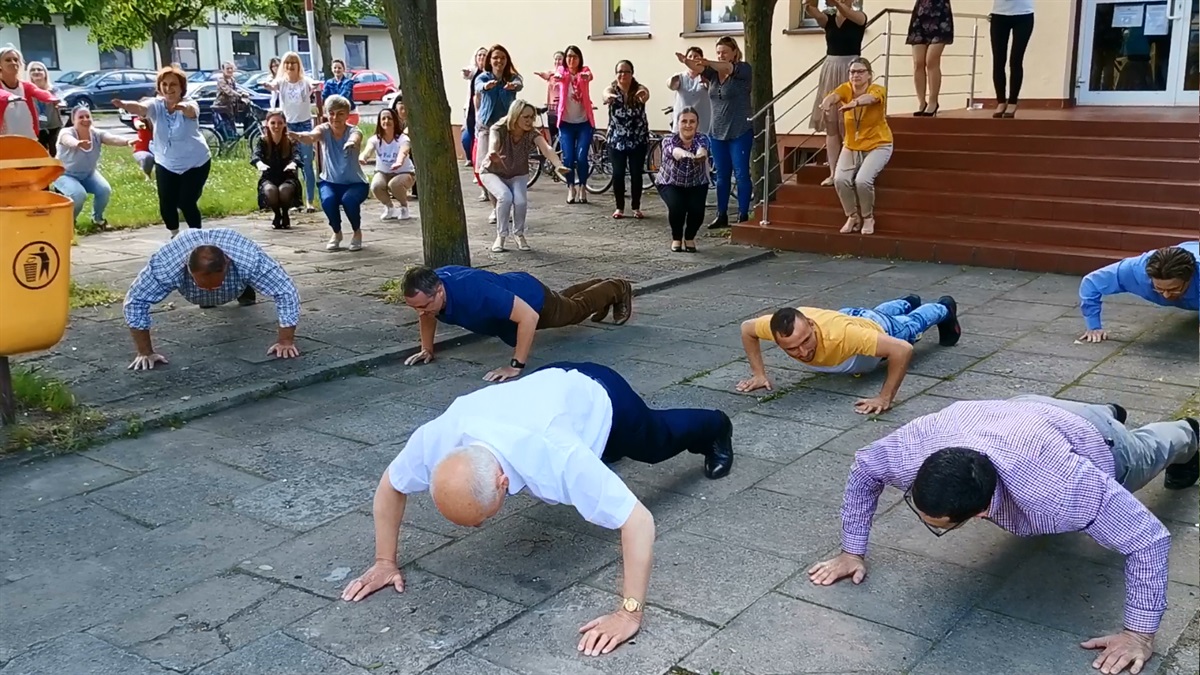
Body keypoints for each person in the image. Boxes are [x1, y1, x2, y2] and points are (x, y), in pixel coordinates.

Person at [339, 361, 735, 655]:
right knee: (600, 463)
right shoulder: (437, 437)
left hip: (603, 395)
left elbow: (638, 522)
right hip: (546, 388)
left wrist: (629, 614)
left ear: (502, 482)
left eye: (480, 520)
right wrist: (384, 561)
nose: (474, 529)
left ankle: (716, 425)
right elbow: (390, 484)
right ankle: (606, 450)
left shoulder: (556, 453)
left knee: (655, 442)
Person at [807, 395, 1199, 675]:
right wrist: (851, 552)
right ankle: (1102, 410)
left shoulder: (1061, 488)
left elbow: (1147, 539)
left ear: (981, 511)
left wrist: (1138, 635)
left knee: (1148, 449)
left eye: (938, 525)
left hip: (1089, 439)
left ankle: (1185, 430)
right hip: (1018, 410)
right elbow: (865, 469)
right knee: (1081, 416)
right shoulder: (908, 453)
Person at [399, 265, 633, 382]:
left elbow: (528, 317)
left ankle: (617, 287)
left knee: (574, 311)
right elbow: (426, 316)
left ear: (440, 291)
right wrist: (427, 349)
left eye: (423, 305)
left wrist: (515, 366)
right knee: (565, 302)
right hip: (515, 293)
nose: (420, 312)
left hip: (533, 300)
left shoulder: (473, 291)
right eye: (414, 307)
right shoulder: (431, 288)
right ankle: (600, 286)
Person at [736, 294, 960, 414]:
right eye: (792, 348)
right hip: (849, 317)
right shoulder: (772, 326)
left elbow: (902, 350)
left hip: (878, 327)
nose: (802, 352)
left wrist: (884, 398)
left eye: (806, 341)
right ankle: (906, 301)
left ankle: (943, 307)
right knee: (871, 315)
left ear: (812, 325)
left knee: (911, 325)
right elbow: (747, 328)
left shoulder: (844, 336)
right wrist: (758, 375)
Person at [123, 228, 302, 371]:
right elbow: (135, 301)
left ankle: (244, 288)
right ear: (186, 268)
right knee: (205, 296)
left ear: (227, 264)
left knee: (246, 278)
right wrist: (145, 352)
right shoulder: (166, 264)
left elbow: (285, 291)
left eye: (215, 285)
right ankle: (205, 293)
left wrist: (285, 341)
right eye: (204, 285)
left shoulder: (249, 258)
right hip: (188, 268)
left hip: (237, 271)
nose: (210, 289)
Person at [113, 67, 212, 238]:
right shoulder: (156, 105)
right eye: (164, 84)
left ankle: (197, 237)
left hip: (195, 162)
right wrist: (125, 105)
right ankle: (174, 235)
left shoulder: (190, 103)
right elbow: (141, 108)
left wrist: (182, 107)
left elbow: (192, 111)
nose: (168, 88)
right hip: (166, 161)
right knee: (166, 203)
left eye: (173, 84)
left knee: (186, 202)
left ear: (181, 87)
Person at [481, 100, 570, 252]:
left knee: (520, 202)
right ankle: (501, 236)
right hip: (492, 171)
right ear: (515, 116)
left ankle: (519, 235)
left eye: (532, 117)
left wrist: (558, 164)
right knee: (505, 197)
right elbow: (493, 142)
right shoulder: (500, 128)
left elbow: (546, 148)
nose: (530, 121)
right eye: (526, 117)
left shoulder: (531, 133)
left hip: (517, 173)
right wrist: (493, 152)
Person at [683, 36, 752, 228]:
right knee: (721, 175)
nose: (721, 55)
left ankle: (743, 215)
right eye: (718, 52)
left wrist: (709, 63)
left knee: (741, 174)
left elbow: (727, 67)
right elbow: (697, 68)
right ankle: (721, 215)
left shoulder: (743, 69)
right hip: (717, 131)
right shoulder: (713, 74)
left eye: (725, 52)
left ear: (734, 53)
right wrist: (686, 61)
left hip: (739, 130)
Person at [819, 57, 893, 236]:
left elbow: (871, 99)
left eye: (860, 71)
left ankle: (868, 217)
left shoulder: (877, 89)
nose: (856, 75)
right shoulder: (846, 88)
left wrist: (855, 103)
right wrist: (827, 102)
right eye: (852, 72)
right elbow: (835, 95)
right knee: (840, 180)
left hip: (879, 144)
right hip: (852, 145)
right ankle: (853, 216)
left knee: (862, 180)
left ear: (869, 75)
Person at [289, 95, 368, 252]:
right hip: (330, 182)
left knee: (349, 201)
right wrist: (298, 136)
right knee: (328, 200)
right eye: (331, 113)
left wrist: (351, 143)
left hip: (355, 183)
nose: (335, 117)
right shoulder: (324, 129)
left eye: (340, 114)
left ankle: (357, 232)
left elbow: (356, 137)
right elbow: (311, 136)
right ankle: (337, 233)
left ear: (347, 115)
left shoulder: (353, 130)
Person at [1078, 242, 1200, 342]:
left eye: (1174, 289)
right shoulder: (1131, 271)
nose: (1166, 295)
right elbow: (1091, 283)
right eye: (1159, 288)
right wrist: (1094, 326)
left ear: (1190, 278)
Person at [805, 0, 867, 186]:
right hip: (831, 70)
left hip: (851, 70)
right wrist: (808, 3)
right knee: (831, 124)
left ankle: (852, 171)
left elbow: (847, 13)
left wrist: (837, 4)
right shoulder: (829, 19)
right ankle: (833, 173)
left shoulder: (859, 17)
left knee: (850, 124)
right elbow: (812, 11)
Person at [52, 106, 134, 230]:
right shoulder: (66, 132)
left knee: (104, 190)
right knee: (78, 195)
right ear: (73, 120)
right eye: (81, 117)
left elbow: (111, 138)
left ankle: (98, 219)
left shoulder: (96, 134)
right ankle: (69, 223)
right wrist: (77, 143)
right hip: (63, 174)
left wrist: (127, 142)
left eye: (87, 116)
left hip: (88, 174)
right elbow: (67, 140)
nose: (85, 119)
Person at [475, 44, 524, 220]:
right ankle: (496, 208)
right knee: (487, 168)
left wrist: (513, 86)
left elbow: (519, 84)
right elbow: (478, 86)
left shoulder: (512, 78)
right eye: (495, 58)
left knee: (504, 169)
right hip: (487, 128)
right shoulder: (483, 77)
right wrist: (486, 86)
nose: (499, 61)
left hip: (505, 130)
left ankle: (505, 206)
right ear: (490, 60)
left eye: (502, 58)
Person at [267, 52, 321, 213]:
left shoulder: (305, 81)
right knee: (290, 165)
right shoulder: (281, 82)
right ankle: (294, 202)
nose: (290, 66)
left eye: (293, 63)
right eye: (287, 63)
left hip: (304, 125)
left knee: (307, 164)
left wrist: (315, 85)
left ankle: (310, 201)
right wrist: (268, 85)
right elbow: (273, 85)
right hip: (288, 126)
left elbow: (313, 83)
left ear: (298, 65)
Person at [656, 107, 710, 253]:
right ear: (677, 123)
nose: (688, 125)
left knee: (697, 211)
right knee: (677, 207)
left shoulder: (702, 138)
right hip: (670, 182)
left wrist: (700, 155)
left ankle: (690, 237)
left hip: (697, 183)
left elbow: (702, 149)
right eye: (684, 121)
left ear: (697, 124)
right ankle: (677, 238)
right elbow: (675, 151)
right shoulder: (669, 140)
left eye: (692, 121)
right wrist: (686, 154)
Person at [603, 60, 650, 220]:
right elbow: (605, 93)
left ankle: (636, 207)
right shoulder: (612, 89)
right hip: (616, 140)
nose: (623, 74)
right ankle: (619, 207)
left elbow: (645, 93)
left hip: (637, 139)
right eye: (620, 72)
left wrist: (643, 95)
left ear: (632, 73)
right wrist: (608, 97)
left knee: (636, 174)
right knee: (618, 174)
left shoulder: (638, 88)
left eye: (626, 71)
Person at [553, 45, 595, 205]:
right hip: (566, 124)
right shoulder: (562, 72)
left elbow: (589, 75)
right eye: (569, 56)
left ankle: (583, 186)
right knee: (568, 158)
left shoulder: (584, 71)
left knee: (582, 157)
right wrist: (555, 76)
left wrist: (585, 77)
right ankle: (571, 187)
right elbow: (557, 75)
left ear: (579, 59)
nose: (571, 59)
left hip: (584, 123)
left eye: (575, 56)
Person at [360, 107, 415, 221]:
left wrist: (399, 162)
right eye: (383, 119)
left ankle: (404, 207)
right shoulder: (375, 139)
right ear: (379, 122)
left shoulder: (403, 138)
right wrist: (363, 157)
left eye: (389, 118)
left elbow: (404, 151)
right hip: (383, 172)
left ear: (395, 121)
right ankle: (390, 208)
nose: (386, 121)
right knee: (376, 186)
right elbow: (368, 150)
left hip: (405, 173)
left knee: (394, 184)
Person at [252, 109, 302, 230]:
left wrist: (293, 164)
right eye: (273, 123)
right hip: (269, 177)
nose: (276, 126)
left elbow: (297, 155)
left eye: (280, 123)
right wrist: (259, 164)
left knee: (284, 190)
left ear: (284, 124)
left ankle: (285, 213)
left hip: (287, 177)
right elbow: (255, 155)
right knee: (270, 190)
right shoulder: (262, 141)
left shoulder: (291, 140)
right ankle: (277, 214)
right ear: (267, 124)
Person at [0, 46, 58, 140]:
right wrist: (8, 97)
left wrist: (53, 99)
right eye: (8, 60)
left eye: (15, 60)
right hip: (5, 140)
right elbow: (1, 94)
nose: (13, 62)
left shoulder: (26, 86)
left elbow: (39, 92)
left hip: (30, 138)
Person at [907, 0, 954, 116]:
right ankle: (922, 102)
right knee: (918, 62)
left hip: (940, 14)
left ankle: (933, 101)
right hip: (920, 15)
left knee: (931, 60)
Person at [990, 0, 1034, 118]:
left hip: (1024, 15)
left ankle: (1013, 102)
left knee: (1016, 61)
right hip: (999, 15)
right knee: (998, 61)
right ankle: (1001, 101)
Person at [668, 47, 712, 136]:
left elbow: (712, 89)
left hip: (702, 126)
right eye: (690, 56)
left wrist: (707, 81)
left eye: (696, 56)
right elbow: (671, 85)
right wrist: (673, 80)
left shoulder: (707, 77)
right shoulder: (680, 77)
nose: (692, 59)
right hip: (682, 125)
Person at [26, 61, 64, 156]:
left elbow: (61, 100)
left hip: (54, 126)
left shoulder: (53, 89)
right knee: (39, 154)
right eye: (33, 70)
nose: (36, 72)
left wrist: (59, 103)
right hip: (36, 128)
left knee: (55, 154)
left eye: (39, 69)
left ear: (45, 73)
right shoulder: (27, 90)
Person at [461, 47, 488, 169]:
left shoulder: (489, 73)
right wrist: (465, 72)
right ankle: (471, 159)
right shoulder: (474, 71)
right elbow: (467, 74)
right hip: (471, 110)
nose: (481, 57)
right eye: (479, 55)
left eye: (484, 55)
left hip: (484, 110)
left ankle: (480, 162)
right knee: (468, 137)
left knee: (481, 137)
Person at [533, 50, 565, 146]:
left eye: (560, 59)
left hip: (563, 110)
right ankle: (554, 154)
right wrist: (542, 74)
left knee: (563, 136)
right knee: (554, 137)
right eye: (556, 59)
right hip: (552, 109)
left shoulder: (565, 74)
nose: (557, 61)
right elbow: (547, 74)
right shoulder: (551, 74)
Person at [213, 61, 249, 141]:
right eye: (227, 68)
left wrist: (243, 94)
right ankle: (225, 145)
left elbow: (235, 90)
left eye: (231, 68)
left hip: (230, 107)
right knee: (226, 130)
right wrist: (240, 95)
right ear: (223, 70)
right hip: (221, 107)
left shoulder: (232, 79)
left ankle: (232, 142)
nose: (230, 70)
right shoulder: (221, 79)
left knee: (233, 128)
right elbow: (228, 91)